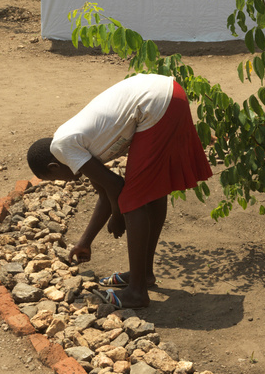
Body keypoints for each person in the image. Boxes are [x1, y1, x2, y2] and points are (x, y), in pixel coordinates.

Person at [26, 73, 212, 310]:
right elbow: (106, 192)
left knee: (133, 200)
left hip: (156, 103)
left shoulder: (64, 146)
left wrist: (118, 215)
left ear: (54, 167)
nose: (61, 182)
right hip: (169, 94)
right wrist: (85, 241)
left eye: (53, 179)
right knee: (151, 191)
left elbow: (116, 187)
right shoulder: (73, 142)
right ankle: (142, 275)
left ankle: (137, 292)